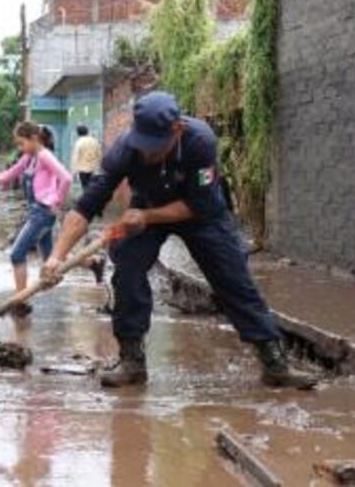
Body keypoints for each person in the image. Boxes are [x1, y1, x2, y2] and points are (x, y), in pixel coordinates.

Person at [41, 92, 316, 390]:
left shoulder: (200, 141)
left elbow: (197, 205)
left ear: (177, 130)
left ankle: (274, 362)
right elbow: (85, 207)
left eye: (153, 146)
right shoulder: (124, 150)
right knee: (127, 269)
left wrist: (146, 217)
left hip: (201, 214)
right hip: (145, 206)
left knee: (233, 276)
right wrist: (56, 257)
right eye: (141, 145)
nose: (145, 154)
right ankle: (132, 360)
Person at [0, 122, 72, 316]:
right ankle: (93, 263)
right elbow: (8, 175)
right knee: (52, 257)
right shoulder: (29, 158)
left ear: (34, 139)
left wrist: (56, 202)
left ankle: (21, 301)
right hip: (36, 211)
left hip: (42, 213)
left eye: (21, 143)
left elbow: (66, 178)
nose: (19, 148)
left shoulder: (44, 156)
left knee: (17, 254)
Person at [72, 124, 101, 189]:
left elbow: (75, 157)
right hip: (93, 168)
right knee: (93, 187)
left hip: (83, 169)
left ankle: (88, 198)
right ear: (87, 131)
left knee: (85, 187)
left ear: (78, 133)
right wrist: (98, 166)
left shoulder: (79, 142)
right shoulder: (94, 141)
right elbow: (99, 154)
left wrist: (74, 172)